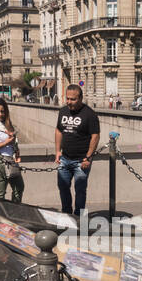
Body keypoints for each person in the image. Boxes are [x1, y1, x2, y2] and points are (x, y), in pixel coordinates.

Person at [54, 85, 100, 215]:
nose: (69, 102)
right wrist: (57, 151)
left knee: (80, 190)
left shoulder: (89, 114)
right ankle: (67, 214)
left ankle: (79, 217)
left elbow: (95, 136)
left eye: (73, 99)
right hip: (64, 158)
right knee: (63, 187)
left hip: (81, 161)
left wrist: (88, 157)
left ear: (80, 98)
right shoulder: (63, 111)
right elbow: (58, 130)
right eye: (67, 98)